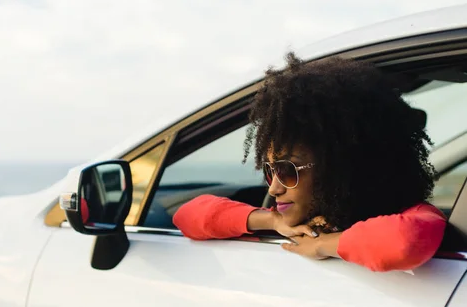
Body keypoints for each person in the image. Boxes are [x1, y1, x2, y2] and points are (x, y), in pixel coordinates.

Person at [173, 53, 447, 272]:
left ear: (341, 168)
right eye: (269, 171)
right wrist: (272, 223)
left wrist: (323, 244)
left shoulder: (413, 215)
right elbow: (187, 216)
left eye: (287, 170)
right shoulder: (289, 216)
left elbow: (405, 241)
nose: (273, 189)